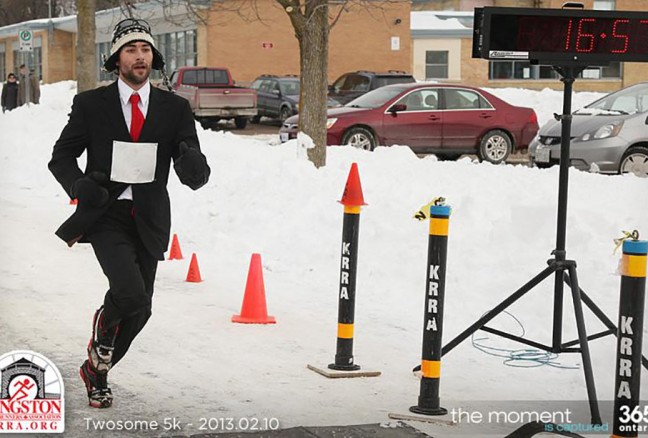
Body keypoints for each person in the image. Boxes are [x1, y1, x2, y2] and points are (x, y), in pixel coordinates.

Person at [48, 18, 210, 409]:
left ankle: (96, 368)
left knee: (141, 309)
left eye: (145, 50)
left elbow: (193, 163)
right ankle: (101, 348)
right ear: (116, 59)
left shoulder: (175, 108)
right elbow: (61, 157)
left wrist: (192, 163)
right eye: (131, 50)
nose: (140, 57)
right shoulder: (91, 104)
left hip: (150, 216)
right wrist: (78, 185)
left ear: (153, 58)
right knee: (129, 292)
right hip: (106, 213)